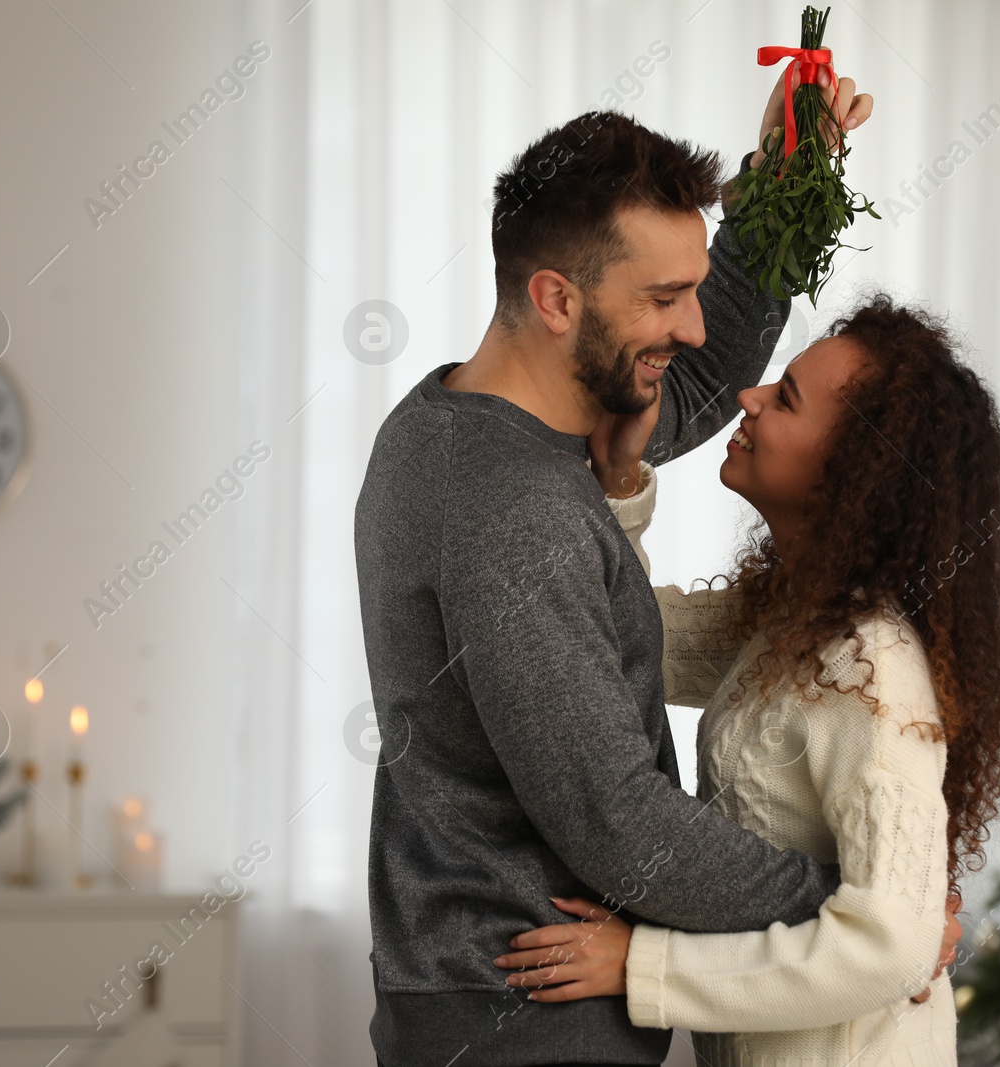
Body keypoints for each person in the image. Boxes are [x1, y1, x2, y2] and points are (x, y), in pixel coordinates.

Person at [353, 71, 957, 1066]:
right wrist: (868, 913)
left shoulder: (472, 428)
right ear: (556, 299)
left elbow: (705, 380)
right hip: (524, 1009)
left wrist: (782, 179)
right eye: (664, 297)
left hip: (488, 992)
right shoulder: (517, 506)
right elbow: (621, 823)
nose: (689, 328)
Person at [490, 295, 1000, 1066]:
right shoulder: (791, 619)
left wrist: (640, 965)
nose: (747, 398)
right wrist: (618, 482)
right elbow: (616, 639)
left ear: (855, 471)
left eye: (784, 398)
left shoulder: (866, 664)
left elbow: (890, 945)